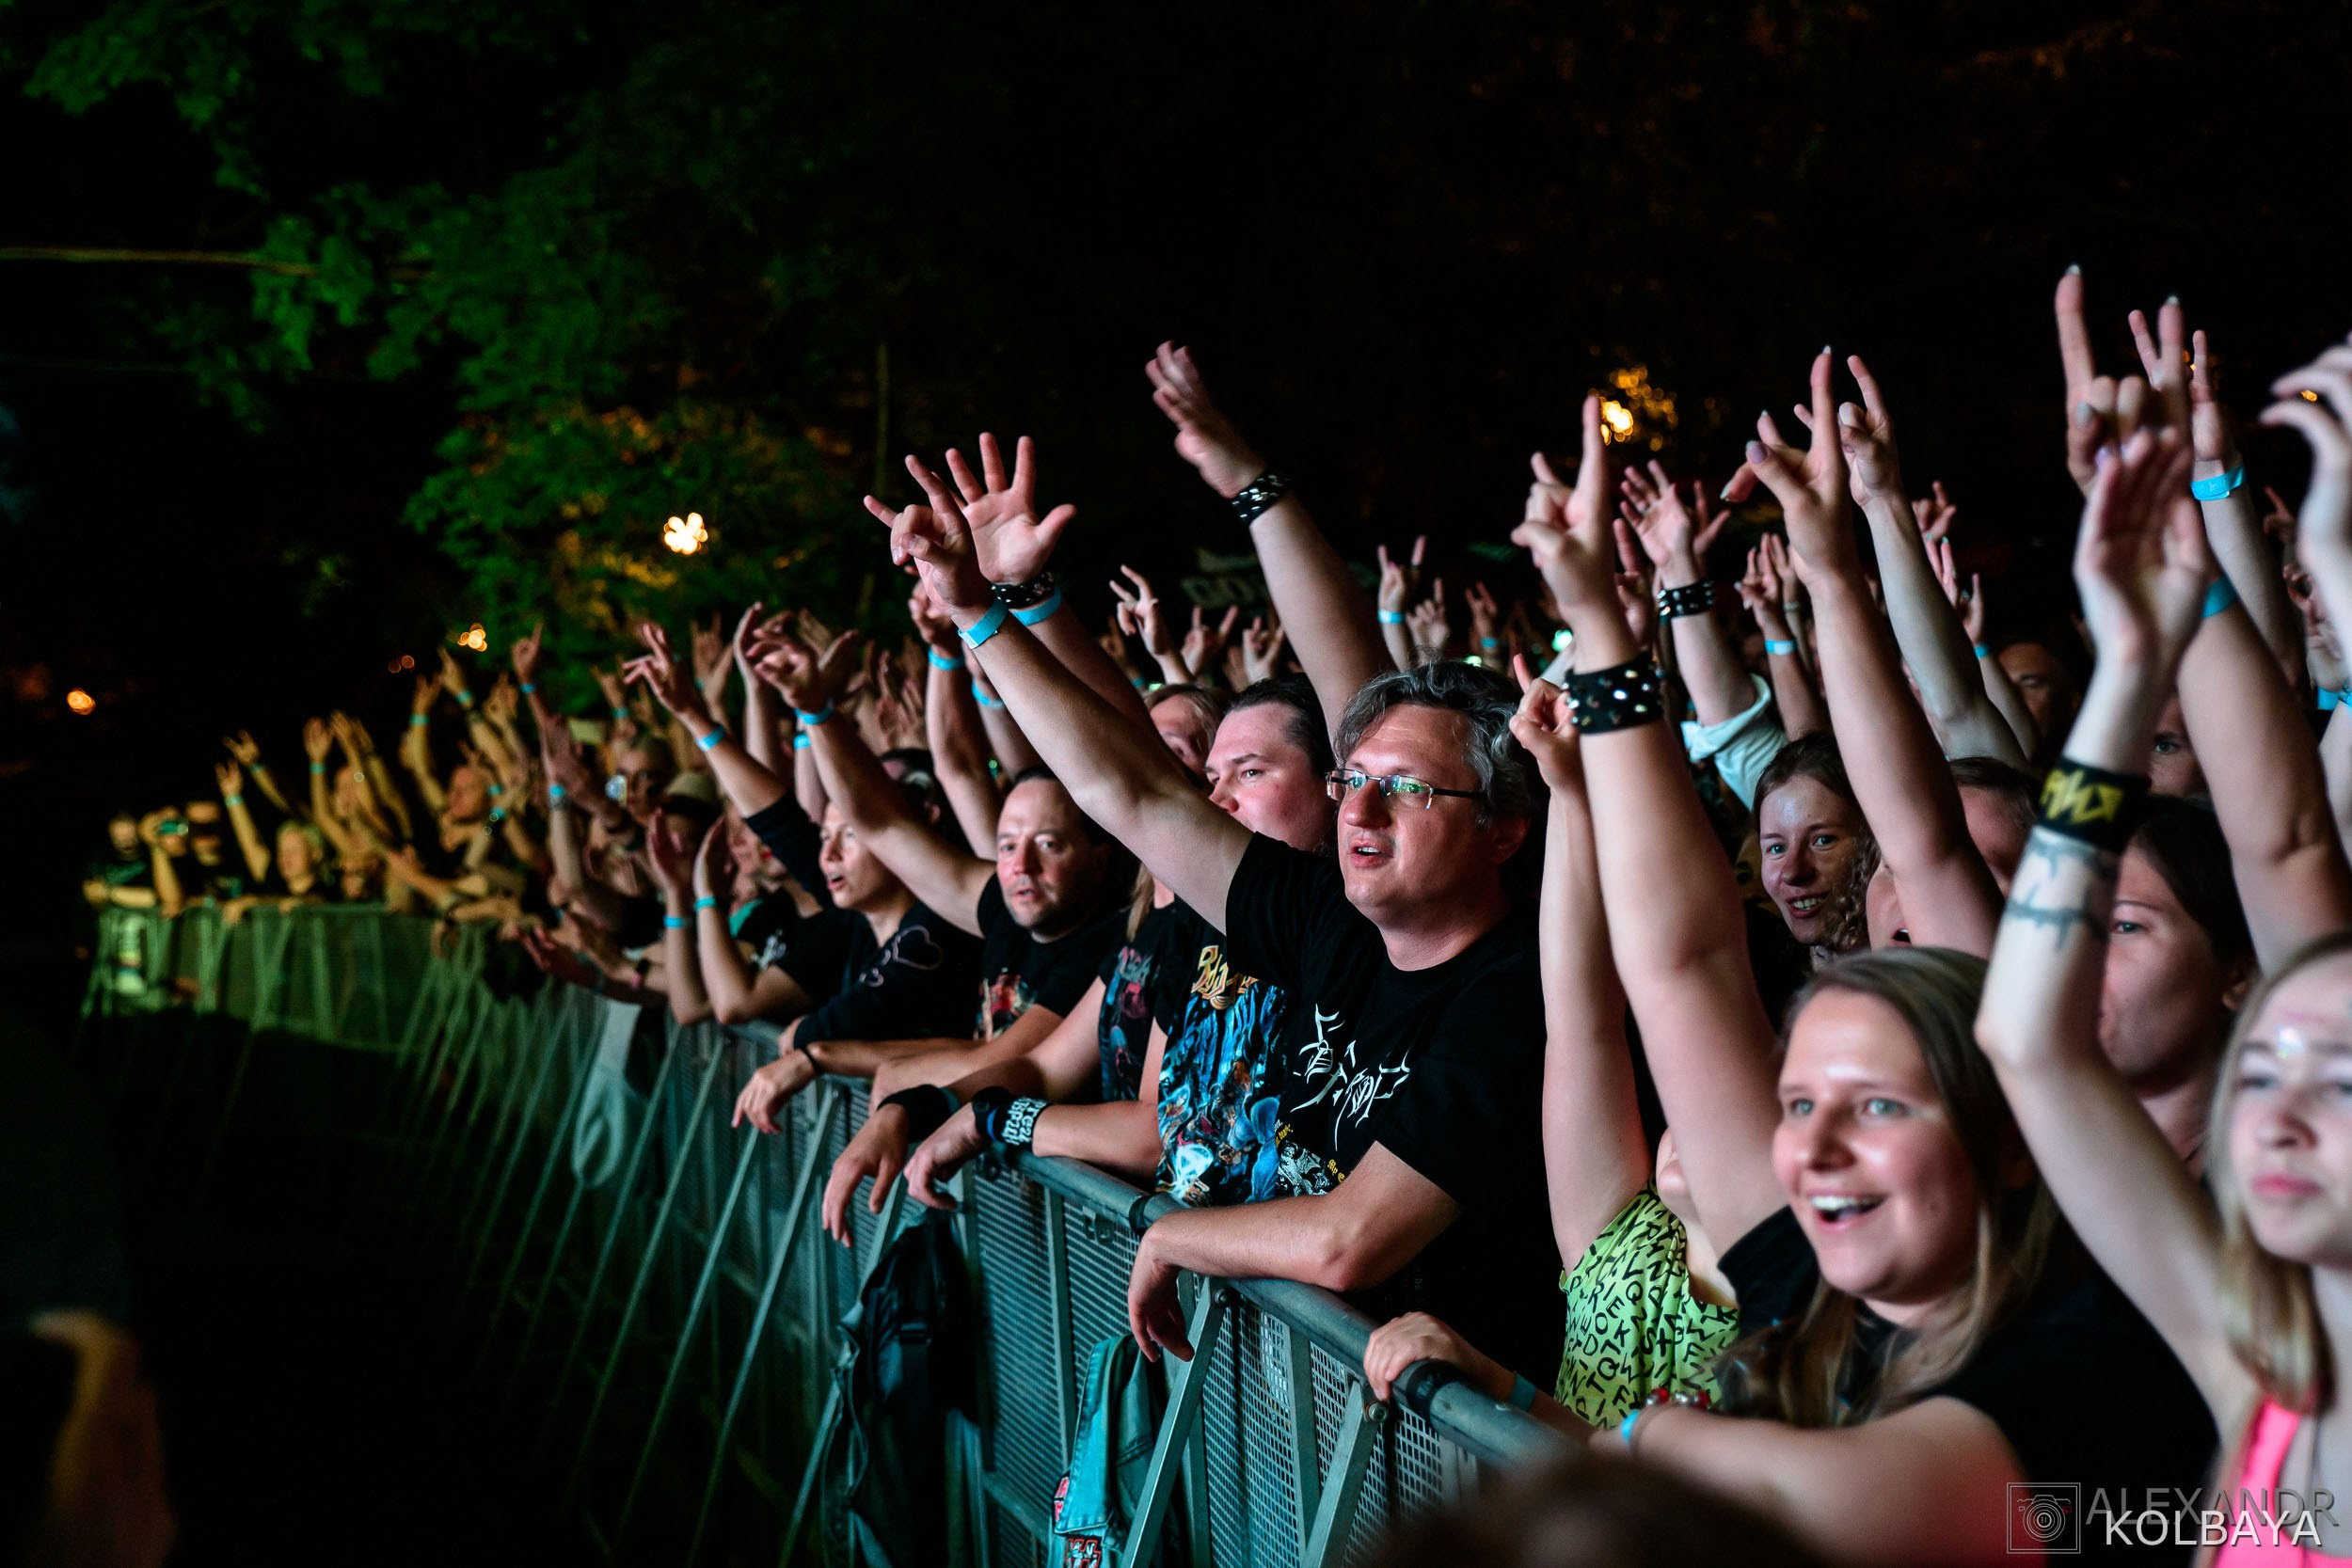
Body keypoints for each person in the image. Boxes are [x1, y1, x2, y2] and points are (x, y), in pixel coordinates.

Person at [1517, 362, 2211, 1562]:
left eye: (1879, 1103)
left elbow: (1827, 1505)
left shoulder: (2099, 1348)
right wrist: (1599, 636)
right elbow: (1681, 964)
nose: (1811, 1150)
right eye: (1796, 1104)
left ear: (2007, 1129)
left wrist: (1652, 1440)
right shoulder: (1819, 1281)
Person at [876, 414, 1562, 1387]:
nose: (1359, 805)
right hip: (1311, 1412)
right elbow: (1131, 790)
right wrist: (980, 614)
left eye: (1406, 787)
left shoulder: (1511, 994)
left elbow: (1348, 1238)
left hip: (1455, 1468)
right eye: (1349, 778)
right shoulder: (1329, 916)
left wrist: (1180, 1235)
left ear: (1503, 826)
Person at [1365, 671, 1738, 1431]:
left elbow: (1666, 1498)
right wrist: (1566, 788)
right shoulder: (1620, 1239)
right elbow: (1580, 1011)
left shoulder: (1802, 1303)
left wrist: (1497, 1381)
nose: (1690, 1120)